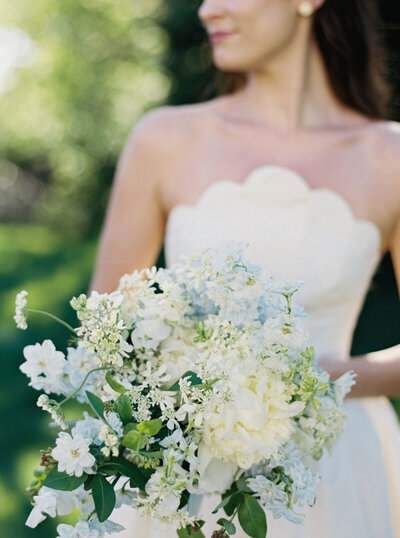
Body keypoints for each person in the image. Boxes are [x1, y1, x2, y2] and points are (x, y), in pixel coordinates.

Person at [89, 0, 400, 536]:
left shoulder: (387, 157)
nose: (209, 10)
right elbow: (104, 328)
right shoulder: (164, 140)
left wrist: (311, 380)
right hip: (189, 472)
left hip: (335, 469)